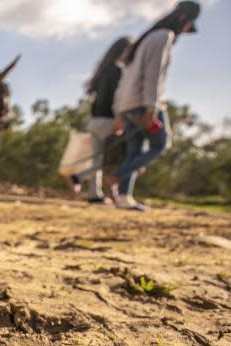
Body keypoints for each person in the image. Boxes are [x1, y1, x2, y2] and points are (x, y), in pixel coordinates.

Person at [110, 1, 201, 211]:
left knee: (134, 150)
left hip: (128, 105)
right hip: (144, 103)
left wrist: (119, 111)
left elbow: (125, 80)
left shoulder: (144, 40)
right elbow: (154, 75)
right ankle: (117, 175)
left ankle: (124, 197)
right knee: (160, 144)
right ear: (184, 20)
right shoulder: (164, 37)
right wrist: (151, 108)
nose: (185, 32)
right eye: (188, 27)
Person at [72, 37, 134, 204]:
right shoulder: (117, 71)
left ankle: (94, 194)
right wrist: (119, 118)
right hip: (108, 120)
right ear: (122, 51)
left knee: (96, 158)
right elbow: (117, 99)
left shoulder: (103, 71)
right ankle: (78, 176)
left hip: (94, 120)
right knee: (104, 160)